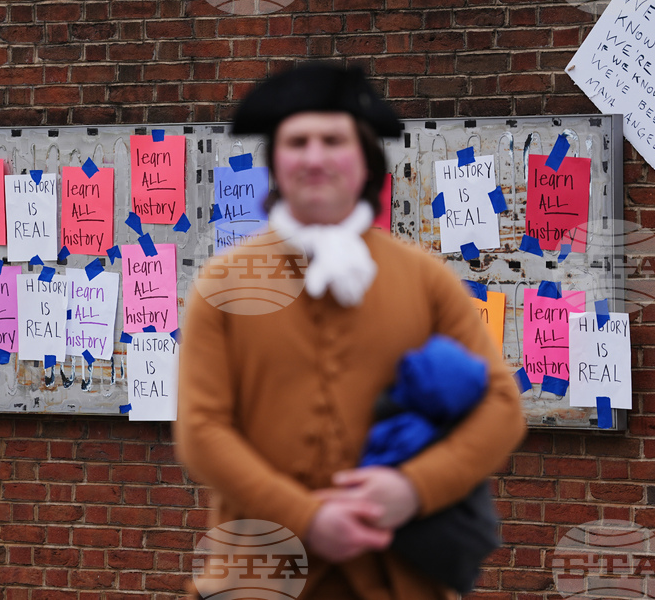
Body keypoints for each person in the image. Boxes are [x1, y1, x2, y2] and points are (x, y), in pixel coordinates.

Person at [175, 63, 526, 599]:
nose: (314, 157)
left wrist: (412, 488)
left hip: (401, 583)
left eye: (332, 139)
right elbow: (202, 431)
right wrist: (307, 518)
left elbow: (502, 405)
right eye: (297, 142)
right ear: (276, 161)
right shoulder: (222, 283)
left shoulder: (425, 278)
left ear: (365, 160)